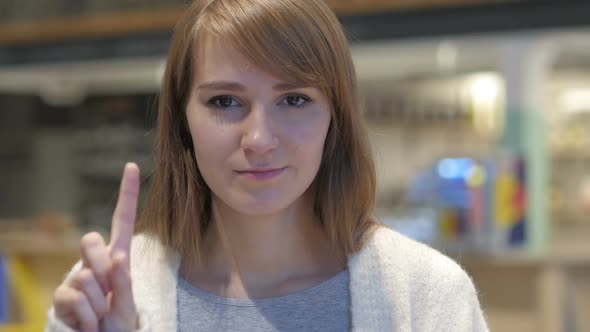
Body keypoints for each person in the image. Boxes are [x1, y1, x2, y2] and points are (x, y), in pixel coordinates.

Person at [46, 0, 489, 331]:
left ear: (336, 117)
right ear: (182, 119)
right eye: (225, 101)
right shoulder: (107, 296)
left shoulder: (427, 295)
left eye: (294, 99)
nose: (258, 139)